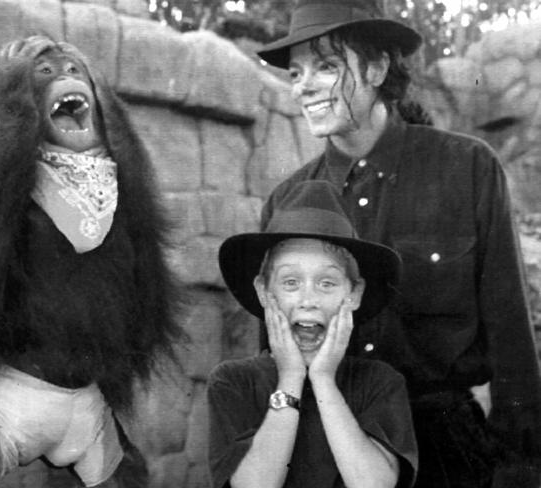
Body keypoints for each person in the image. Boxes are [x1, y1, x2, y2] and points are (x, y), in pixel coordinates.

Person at [256, 1, 541, 486]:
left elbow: (512, 337)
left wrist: (521, 467)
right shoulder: (287, 203)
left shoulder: (467, 168)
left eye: (326, 65)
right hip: (326, 447)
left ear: (377, 67)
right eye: (297, 71)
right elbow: (272, 357)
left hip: (447, 452)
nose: (302, 85)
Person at [209, 180, 417, 488]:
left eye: (327, 283)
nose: (308, 300)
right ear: (264, 292)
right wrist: (291, 377)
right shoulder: (234, 381)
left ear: (355, 293)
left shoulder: (380, 382)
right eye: (291, 282)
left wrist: (323, 379)